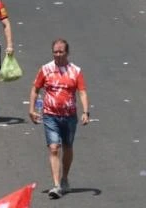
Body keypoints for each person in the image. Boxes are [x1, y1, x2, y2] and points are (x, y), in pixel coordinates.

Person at [28, 39, 89, 200]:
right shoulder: (46, 69)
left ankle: (65, 178)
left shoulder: (75, 71)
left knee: (68, 146)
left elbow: (82, 92)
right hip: (50, 115)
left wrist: (85, 112)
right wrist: (31, 109)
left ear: (67, 53)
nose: (58, 54)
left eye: (61, 51)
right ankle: (56, 185)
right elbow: (35, 89)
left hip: (69, 116)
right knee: (54, 148)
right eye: (55, 51)